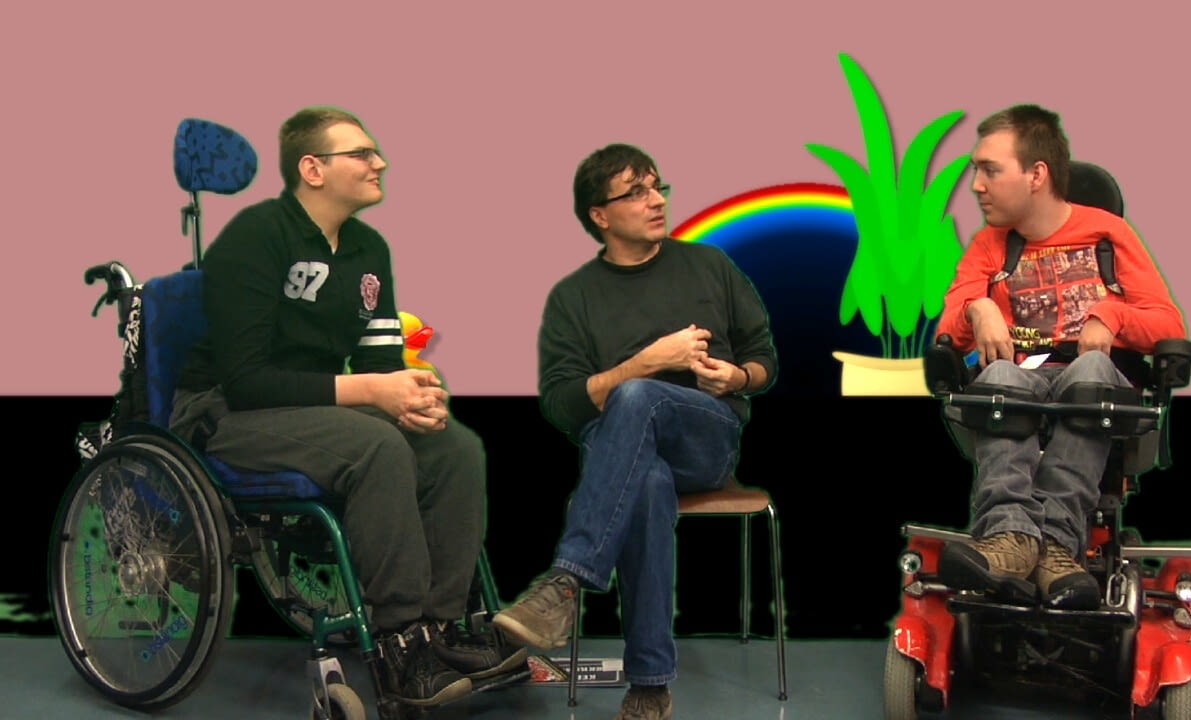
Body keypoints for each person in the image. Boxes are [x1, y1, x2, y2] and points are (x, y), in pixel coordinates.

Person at [168, 106, 526, 709]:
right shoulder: (257, 237)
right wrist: (372, 395)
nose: (378, 162)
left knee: (454, 448)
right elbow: (248, 382)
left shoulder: (367, 248)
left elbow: (380, 362)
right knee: (377, 447)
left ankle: (442, 629)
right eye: (360, 153)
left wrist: (411, 397)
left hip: (311, 409)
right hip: (226, 413)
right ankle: (399, 643)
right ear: (313, 169)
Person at [491, 143, 778, 720]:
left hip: (706, 436)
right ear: (600, 215)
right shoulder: (573, 297)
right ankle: (650, 683)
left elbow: (764, 359)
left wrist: (736, 376)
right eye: (637, 192)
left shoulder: (710, 265)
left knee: (637, 397)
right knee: (645, 479)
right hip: (623, 456)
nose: (656, 201)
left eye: (657, 187)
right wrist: (645, 362)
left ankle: (565, 582)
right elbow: (563, 406)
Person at [934, 104, 1186, 610]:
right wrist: (979, 308)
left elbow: (1167, 326)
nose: (976, 186)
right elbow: (948, 334)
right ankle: (1012, 540)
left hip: (1092, 385)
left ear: (1036, 175)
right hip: (1020, 382)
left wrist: (1110, 316)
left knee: (1091, 370)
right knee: (1000, 373)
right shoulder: (989, 246)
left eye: (990, 170)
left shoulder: (1108, 234)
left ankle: (1054, 542)